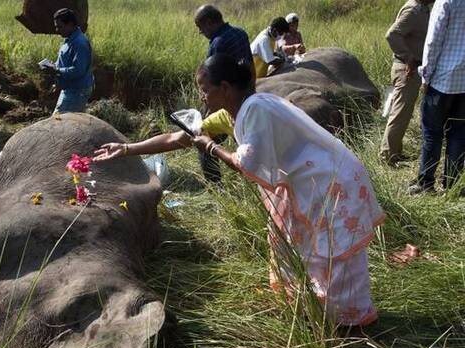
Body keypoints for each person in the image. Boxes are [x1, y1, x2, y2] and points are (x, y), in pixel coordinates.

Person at [94, 54, 384, 328]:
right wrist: (127, 148)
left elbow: (244, 163)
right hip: (309, 183)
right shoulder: (233, 113)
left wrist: (211, 146)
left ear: (225, 87)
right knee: (296, 244)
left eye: (204, 90)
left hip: (331, 183)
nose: (201, 97)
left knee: (332, 253)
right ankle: (313, 309)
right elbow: (181, 137)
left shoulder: (256, 109)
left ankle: (349, 323)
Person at [410, 0, 465, 195]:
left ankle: (426, 184)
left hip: (442, 80)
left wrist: (425, 75)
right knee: (459, 134)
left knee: (432, 133)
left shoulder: (446, 2)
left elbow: (433, 40)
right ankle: (452, 184)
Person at [194, 4, 252, 185]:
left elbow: (214, 79)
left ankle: (215, 187)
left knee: (203, 140)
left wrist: (208, 107)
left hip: (227, 101)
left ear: (210, 22)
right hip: (245, 94)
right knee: (244, 139)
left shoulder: (218, 42)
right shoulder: (240, 33)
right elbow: (249, 67)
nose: (201, 32)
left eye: (200, 27)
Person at [380, 0, 433, 167]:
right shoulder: (414, 10)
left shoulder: (422, 9)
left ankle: (394, 152)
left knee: (403, 113)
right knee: (399, 114)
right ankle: (387, 156)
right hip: (406, 69)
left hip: (410, 69)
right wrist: (408, 57)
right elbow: (392, 34)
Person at [43, 8, 94, 114]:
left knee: (59, 123)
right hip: (69, 89)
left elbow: (78, 70)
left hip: (77, 91)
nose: (57, 30)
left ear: (70, 24)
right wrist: (54, 66)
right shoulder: (70, 40)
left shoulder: (79, 43)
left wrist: (57, 70)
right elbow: (66, 62)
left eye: (60, 27)